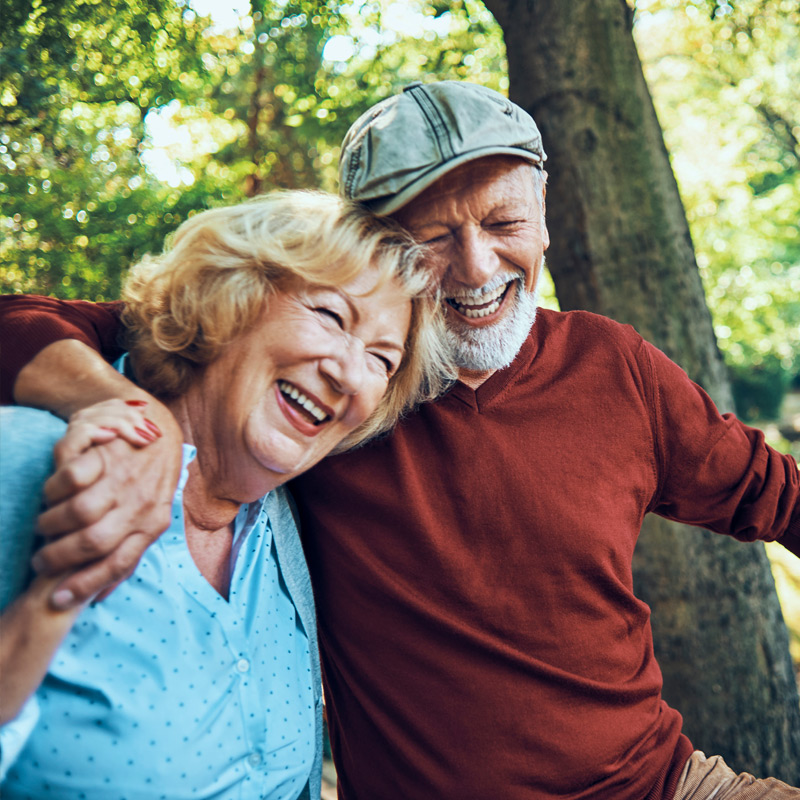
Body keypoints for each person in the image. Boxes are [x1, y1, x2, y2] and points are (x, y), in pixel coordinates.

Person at [1, 81, 800, 799]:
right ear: (376, 253)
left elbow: (776, 495)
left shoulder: (613, 366)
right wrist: (117, 410)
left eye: (504, 221)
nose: (477, 264)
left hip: (666, 784)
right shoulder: (324, 407)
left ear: (545, 215)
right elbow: (117, 322)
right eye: (434, 237)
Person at [0, 189, 450, 798]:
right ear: (229, 298)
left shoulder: (290, 530)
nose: (348, 372)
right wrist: (51, 602)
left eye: (381, 358)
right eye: (330, 315)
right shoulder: (29, 460)